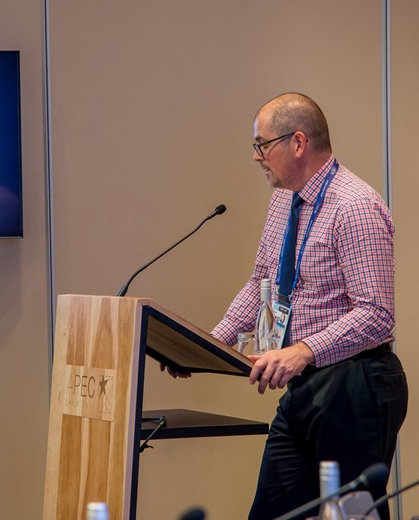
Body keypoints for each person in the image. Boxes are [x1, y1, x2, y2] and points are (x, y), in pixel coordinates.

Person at [174, 92, 408, 519]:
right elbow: (261, 282)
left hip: (358, 385)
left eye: (262, 145)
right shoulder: (284, 199)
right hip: (306, 387)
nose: (256, 157)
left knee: (350, 514)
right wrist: (209, 344)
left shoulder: (355, 206)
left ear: (298, 143)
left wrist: (303, 350)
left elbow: (377, 315)